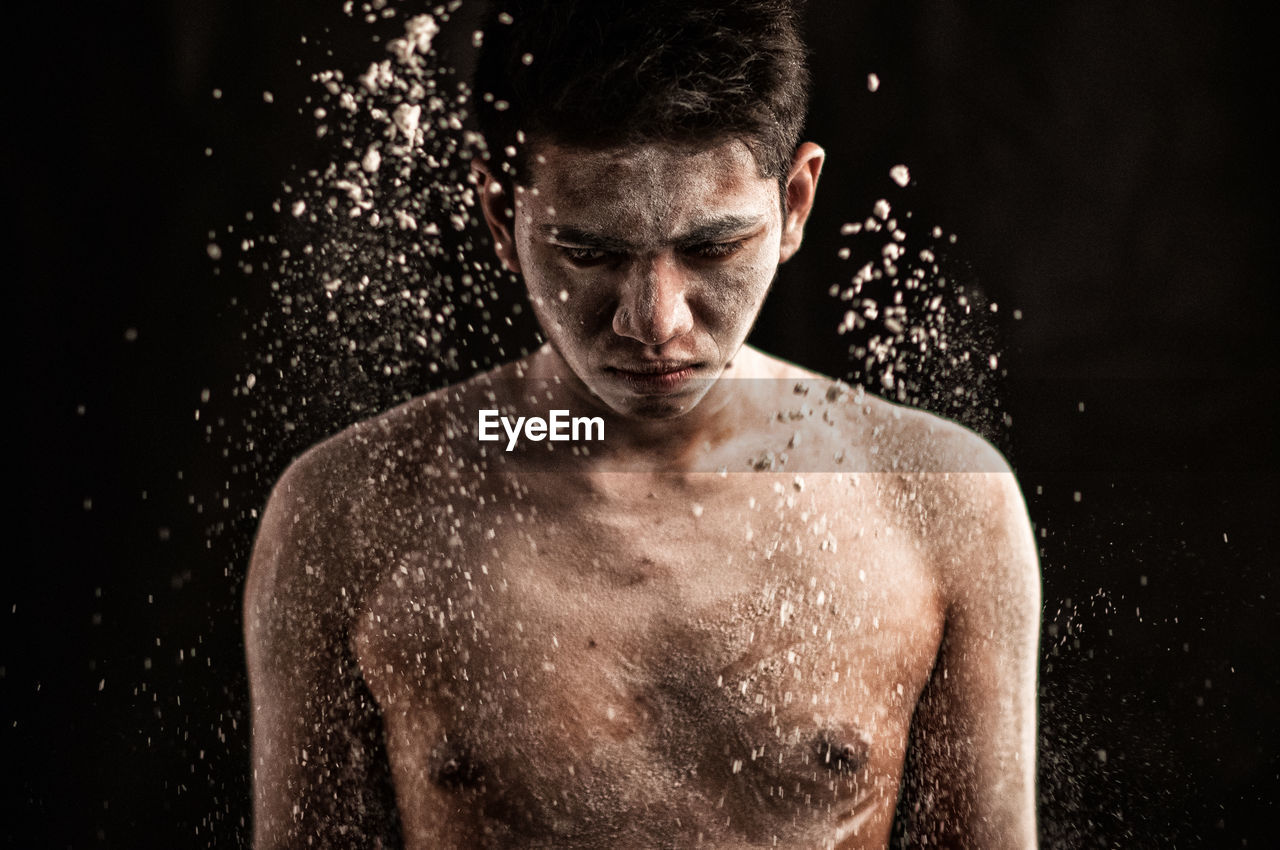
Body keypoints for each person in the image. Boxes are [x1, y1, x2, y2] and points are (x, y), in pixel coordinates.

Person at [243, 1, 1041, 847]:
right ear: (498, 218)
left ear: (797, 202)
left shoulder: (940, 497)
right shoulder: (350, 511)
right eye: (589, 254)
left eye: (713, 249)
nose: (653, 322)